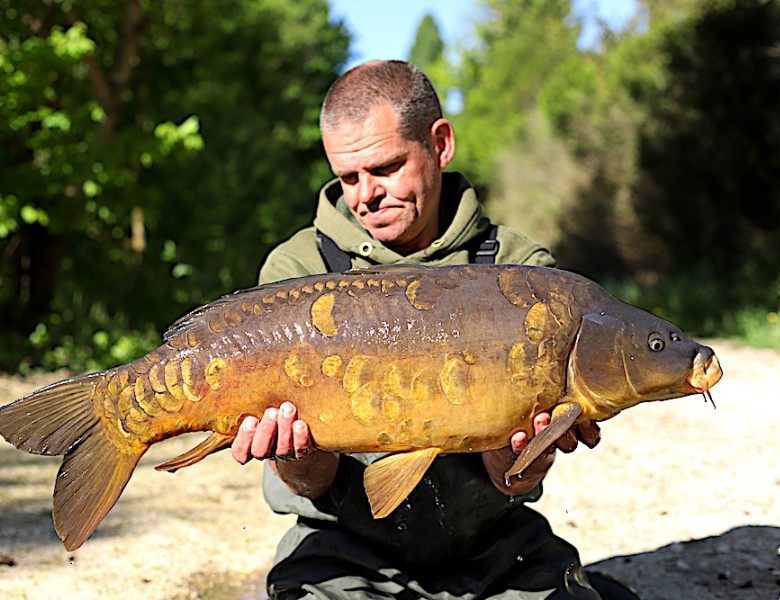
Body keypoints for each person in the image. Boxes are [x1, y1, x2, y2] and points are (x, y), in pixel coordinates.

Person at [230, 61, 638, 599]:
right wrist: (296, 457)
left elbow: (512, 480)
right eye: (348, 178)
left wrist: (521, 456)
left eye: (386, 167)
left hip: (494, 546)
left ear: (440, 143)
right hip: (346, 551)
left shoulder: (522, 273)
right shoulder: (300, 272)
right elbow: (312, 484)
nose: (365, 196)